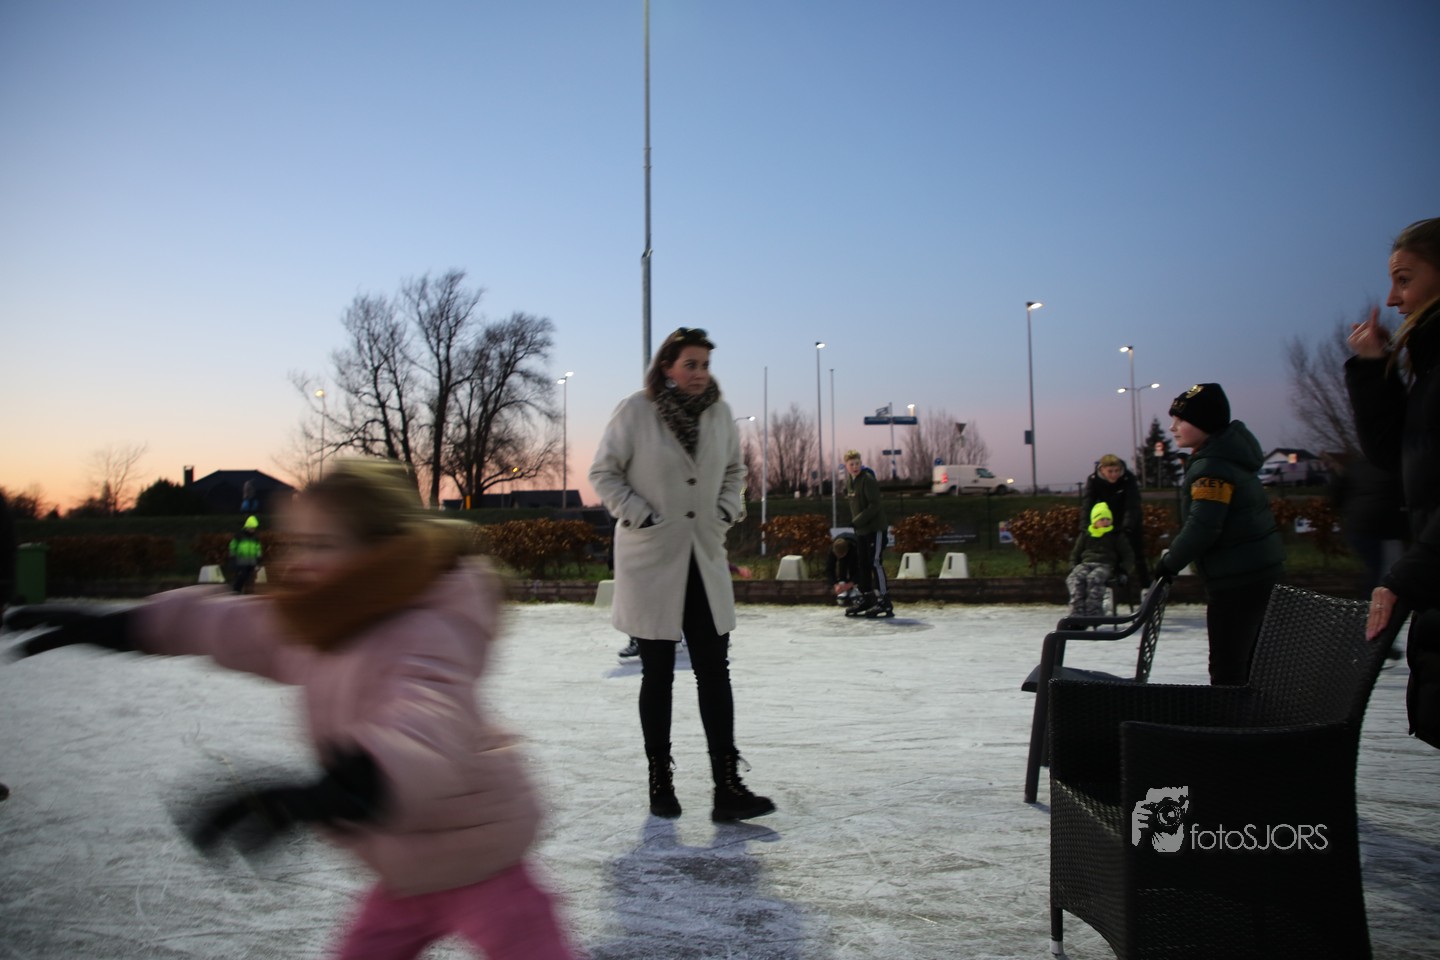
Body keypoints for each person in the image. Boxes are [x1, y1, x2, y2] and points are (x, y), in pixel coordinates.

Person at [5, 460, 578, 960]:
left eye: (321, 546)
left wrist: (340, 789)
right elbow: (225, 624)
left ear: (381, 551)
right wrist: (119, 626)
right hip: (402, 866)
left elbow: (426, 725)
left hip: (480, 858)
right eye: (298, 543)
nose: (300, 561)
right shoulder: (321, 619)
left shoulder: (426, 631)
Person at [589, 326, 775, 823]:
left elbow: (735, 471)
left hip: (704, 559)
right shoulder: (636, 410)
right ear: (667, 367)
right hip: (653, 560)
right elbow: (604, 472)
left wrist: (726, 510)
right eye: (690, 364)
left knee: (715, 671)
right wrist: (640, 514)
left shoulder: (720, 414)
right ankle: (661, 782)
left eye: (705, 365)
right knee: (657, 674)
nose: (699, 373)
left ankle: (727, 787)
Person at [1345, 216, 1440, 747]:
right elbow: (1394, 455)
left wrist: (1408, 574)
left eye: (1405, 279)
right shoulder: (1429, 369)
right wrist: (1373, 369)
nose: (1393, 298)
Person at [1152, 383, 1285, 685]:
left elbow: (1203, 527)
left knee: (1229, 667)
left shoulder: (1212, 468)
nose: (1172, 427)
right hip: (1255, 573)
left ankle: (1232, 714)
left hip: (1237, 581)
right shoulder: (1226, 458)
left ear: (1205, 423)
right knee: (1251, 662)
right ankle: (1251, 711)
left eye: (1180, 420)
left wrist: (1169, 563)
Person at [1079, 453, 1148, 583]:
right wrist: (1084, 526)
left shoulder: (1128, 479)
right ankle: (1109, 585)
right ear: (1102, 470)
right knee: (1107, 553)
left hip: (1128, 520)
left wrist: (1127, 527)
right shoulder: (1094, 480)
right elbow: (1087, 504)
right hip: (1106, 520)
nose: (1114, 474)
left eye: (1117, 471)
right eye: (1110, 471)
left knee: (1136, 552)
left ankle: (1145, 585)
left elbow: (1132, 505)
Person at [843, 450, 892, 618]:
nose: (855, 467)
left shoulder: (868, 480)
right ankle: (867, 598)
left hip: (874, 529)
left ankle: (884, 601)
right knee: (863, 563)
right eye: (851, 464)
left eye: (857, 463)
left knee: (875, 562)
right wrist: (857, 524)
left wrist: (857, 521)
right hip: (861, 530)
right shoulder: (850, 481)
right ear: (846, 466)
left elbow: (875, 505)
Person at [1066, 502, 1137, 617]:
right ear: (1094, 521)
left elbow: (1128, 555)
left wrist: (1124, 570)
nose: (1105, 522)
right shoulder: (1086, 534)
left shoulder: (1115, 535)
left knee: (1094, 578)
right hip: (1086, 564)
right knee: (1075, 578)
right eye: (1102, 519)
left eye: (1108, 519)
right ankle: (1077, 611)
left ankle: (1093, 611)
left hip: (1105, 565)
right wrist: (1073, 566)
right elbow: (1075, 553)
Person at [825, 533, 862, 610]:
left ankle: (855, 587)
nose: (838, 557)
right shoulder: (832, 550)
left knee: (853, 566)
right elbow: (829, 569)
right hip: (843, 547)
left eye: (840, 555)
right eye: (837, 555)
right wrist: (835, 584)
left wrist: (851, 583)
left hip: (855, 546)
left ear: (846, 551)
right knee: (842, 565)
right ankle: (842, 584)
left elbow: (862, 568)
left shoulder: (856, 549)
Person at [228, 515, 263, 594]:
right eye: (251, 528)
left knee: (251, 578)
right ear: (247, 527)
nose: (253, 529)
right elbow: (232, 546)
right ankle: (237, 590)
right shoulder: (239, 536)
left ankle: (249, 593)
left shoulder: (255, 537)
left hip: (252, 561)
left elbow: (258, 549)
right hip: (241, 560)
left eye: (254, 528)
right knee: (242, 576)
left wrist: (258, 559)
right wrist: (233, 557)